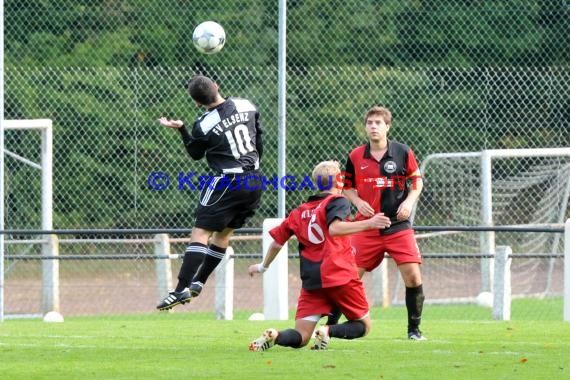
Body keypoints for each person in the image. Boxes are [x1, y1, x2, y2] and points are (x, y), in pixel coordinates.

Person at [248, 160, 392, 351]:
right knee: (363, 326)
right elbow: (335, 228)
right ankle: (327, 331)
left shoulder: (298, 211)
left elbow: (276, 243)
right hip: (339, 274)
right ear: (339, 181)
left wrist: (262, 266)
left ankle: (276, 335)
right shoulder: (337, 201)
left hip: (312, 280)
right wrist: (370, 223)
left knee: (302, 336)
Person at [156, 74, 264, 310]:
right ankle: (198, 282)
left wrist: (182, 129)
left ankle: (179, 289)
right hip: (255, 180)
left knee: (200, 233)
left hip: (228, 180)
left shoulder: (204, 124)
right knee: (223, 236)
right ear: (216, 86)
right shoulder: (246, 105)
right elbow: (259, 138)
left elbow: (195, 153)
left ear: (197, 102)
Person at [342, 105, 426, 340]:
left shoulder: (402, 152)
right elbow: (346, 187)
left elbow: (417, 183)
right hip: (366, 226)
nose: (373, 127)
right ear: (365, 127)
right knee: (347, 278)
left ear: (388, 126)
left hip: (397, 226)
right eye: (370, 123)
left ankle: (414, 330)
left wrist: (409, 202)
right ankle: (329, 327)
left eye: (378, 123)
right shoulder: (355, 155)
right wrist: (357, 202)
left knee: (413, 276)